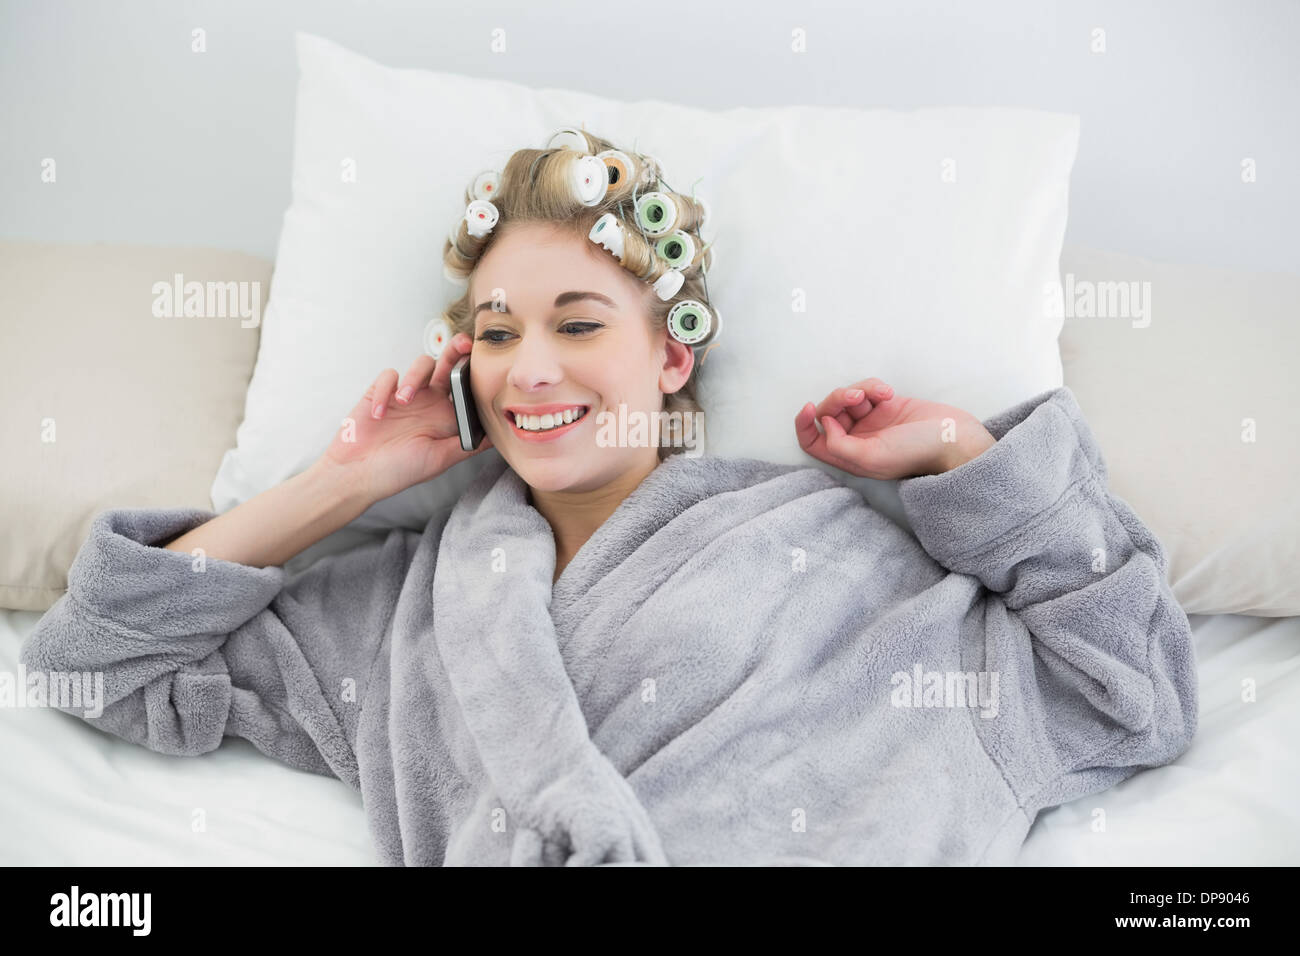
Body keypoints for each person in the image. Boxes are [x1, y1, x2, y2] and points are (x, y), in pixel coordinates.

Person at [19, 129, 1198, 866]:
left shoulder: (822, 551)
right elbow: (92, 659)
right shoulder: (396, 612)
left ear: (671, 356)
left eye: (578, 323)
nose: (530, 366)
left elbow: (1129, 685)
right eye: (495, 333)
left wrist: (954, 454)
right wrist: (346, 481)